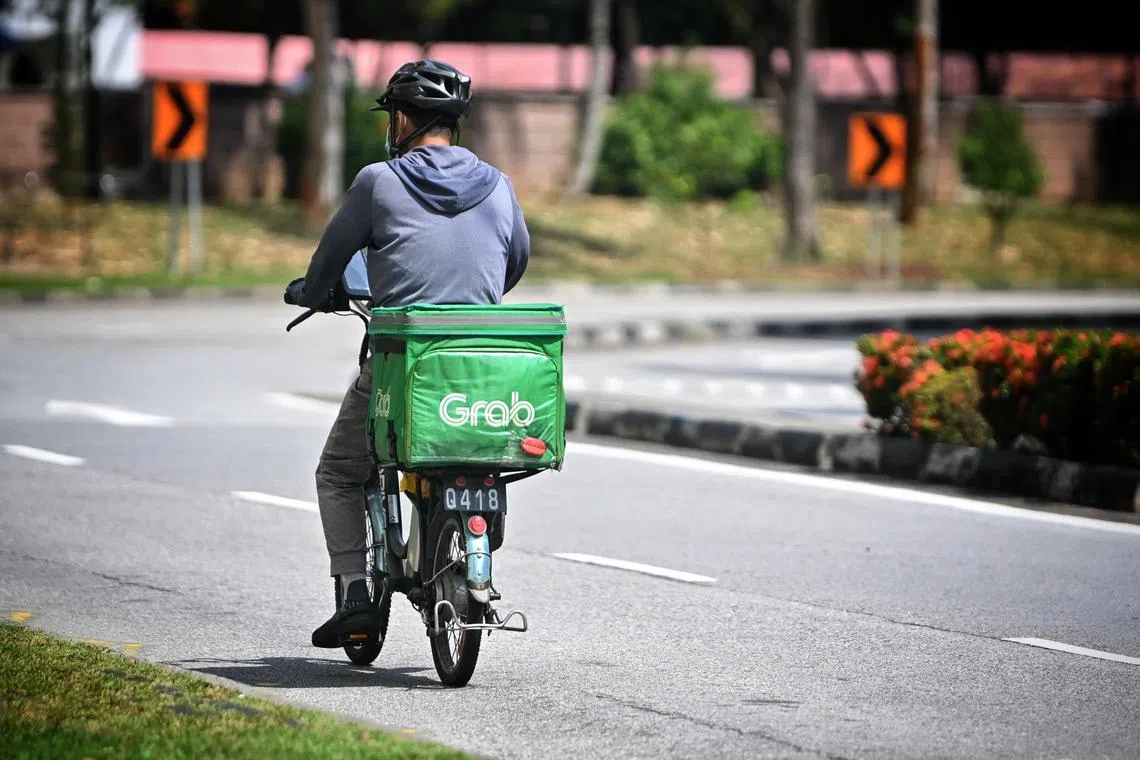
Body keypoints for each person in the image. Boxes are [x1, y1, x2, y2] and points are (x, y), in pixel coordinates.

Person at [284, 59, 530, 648]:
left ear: (402, 119)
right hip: (482, 373)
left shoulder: (378, 182)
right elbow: (514, 261)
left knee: (340, 472)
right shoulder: (500, 185)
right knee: (473, 453)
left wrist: (314, 293)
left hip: (402, 365)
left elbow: (330, 260)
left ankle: (354, 595)